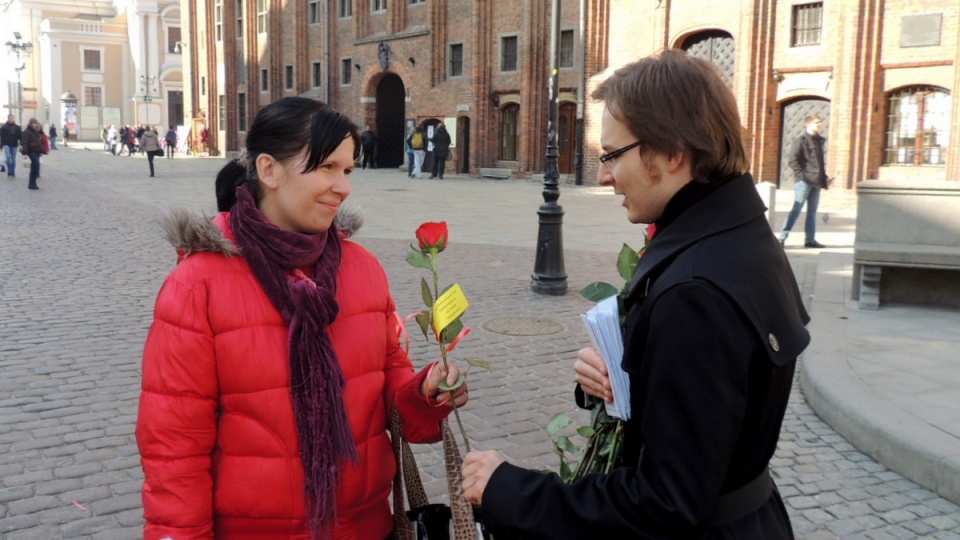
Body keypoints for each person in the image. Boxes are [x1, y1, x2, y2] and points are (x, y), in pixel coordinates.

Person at [462, 50, 809, 540]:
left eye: (611, 155)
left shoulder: (694, 292)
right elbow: (715, 401)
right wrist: (624, 373)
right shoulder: (737, 235)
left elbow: (665, 503)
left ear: (671, 152)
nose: (604, 175)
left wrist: (509, 491)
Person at [136, 96, 469, 539]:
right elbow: (173, 450)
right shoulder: (199, 284)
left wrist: (424, 393)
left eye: (348, 170)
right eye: (327, 168)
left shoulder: (362, 268)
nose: (344, 186)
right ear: (269, 170)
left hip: (365, 528)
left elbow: (388, 387)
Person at [779, 115, 829, 248]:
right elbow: (792, 161)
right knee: (796, 209)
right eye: (816, 123)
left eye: (820, 122)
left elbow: (819, 163)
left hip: (816, 181)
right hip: (804, 181)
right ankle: (782, 237)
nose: (820, 125)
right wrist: (802, 176)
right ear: (808, 124)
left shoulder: (820, 141)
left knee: (812, 212)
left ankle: (810, 240)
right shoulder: (800, 141)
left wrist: (824, 178)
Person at [20, 118, 44, 190]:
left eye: (36, 123)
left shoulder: (36, 131)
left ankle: (32, 183)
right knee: (35, 165)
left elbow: (39, 142)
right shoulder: (27, 132)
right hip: (31, 151)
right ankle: (32, 183)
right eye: (34, 123)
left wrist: (40, 152)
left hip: (37, 151)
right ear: (31, 124)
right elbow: (24, 143)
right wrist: (25, 153)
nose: (35, 124)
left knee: (35, 167)